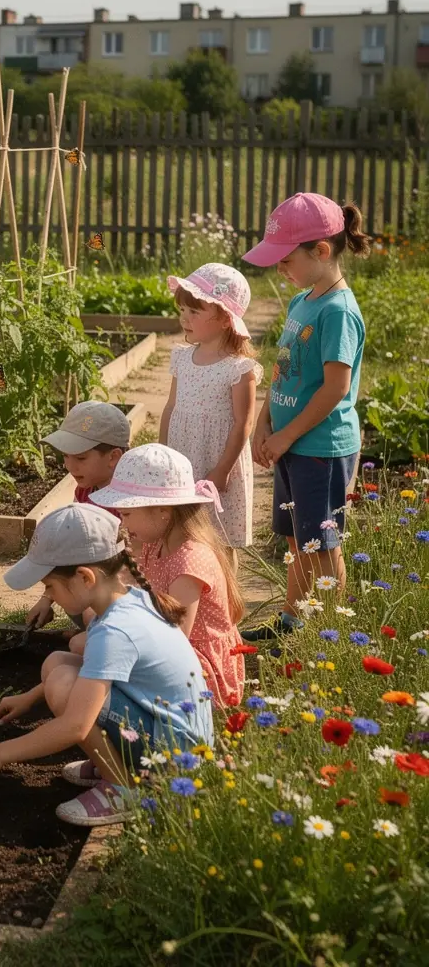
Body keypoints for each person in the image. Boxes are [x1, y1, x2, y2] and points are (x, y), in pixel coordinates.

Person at [0, 503, 214, 827]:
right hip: (168, 729)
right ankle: (118, 761)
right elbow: (96, 671)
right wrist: (29, 698)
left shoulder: (115, 630)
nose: (49, 594)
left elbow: (76, 725)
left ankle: (123, 788)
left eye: (50, 586)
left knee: (63, 685)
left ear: (84, 577)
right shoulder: (127, 600)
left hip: (175, 758)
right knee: (57, 663)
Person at [242, 193, 370, 640]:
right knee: (299, 540)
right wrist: (265, 423)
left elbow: (335, 389)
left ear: (321, 251)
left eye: (284, 259)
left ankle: (330, 630)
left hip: (320, 447)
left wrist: (285, 435)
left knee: (322, 543)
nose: (279, 268)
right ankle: (293, 622)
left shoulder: (338, 312)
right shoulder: (301, 302)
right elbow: (282, 372)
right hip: (292, 443)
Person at [91, 444, 245, 708]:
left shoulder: (189, 559)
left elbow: (175, 640)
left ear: (163, 510)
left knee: (92, 653)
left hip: (198, 671)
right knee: (84, 647)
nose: (123, 523)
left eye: (126, 514)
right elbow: (130, 592)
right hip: (172, 651)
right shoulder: (156, 543)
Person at [160, 263, 262, 553]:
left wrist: (222, 469)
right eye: (182, 310)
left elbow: (244, 423)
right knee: (182, 532)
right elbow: (171, 407)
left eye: (194, 312)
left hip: (215, 460)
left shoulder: (239, 368)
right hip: (183, 454)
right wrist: (163, 450)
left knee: (217, 539)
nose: (185, 318)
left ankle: (224, 596)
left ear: (225, 319)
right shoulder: (181, 358)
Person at [26, 401, 130, 636]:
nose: (69, 466)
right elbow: (71, 551)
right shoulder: (85, 490)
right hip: (95, 585)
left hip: (125, 590)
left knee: (86, 611)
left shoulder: (128, 503)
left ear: (113, 457)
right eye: (65, 456)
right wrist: (48, 597)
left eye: (81, 458)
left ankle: (101, 634)